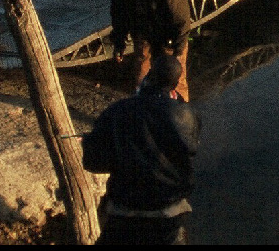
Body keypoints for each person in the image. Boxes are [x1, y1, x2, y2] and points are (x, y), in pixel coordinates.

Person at [82, 54, 200, 245]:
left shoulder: (117, 111)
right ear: (176, 83)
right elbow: (189, 152)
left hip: (125, 212)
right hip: (170, 213)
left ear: (149, 75)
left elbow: (93, 162)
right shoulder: (188, 115)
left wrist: (88, 141)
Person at [110, 0, 193, 102]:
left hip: (170, 36)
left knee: (175, 78)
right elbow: (118, 15)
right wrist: (119, 43)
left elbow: (182, 20)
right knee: (141, 75)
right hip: (143, 33)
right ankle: (143, 109)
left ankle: (181, 113)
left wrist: (179, 51)